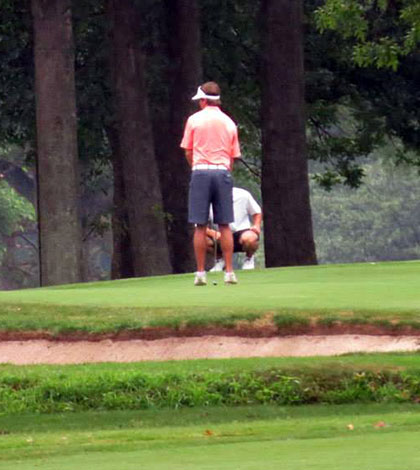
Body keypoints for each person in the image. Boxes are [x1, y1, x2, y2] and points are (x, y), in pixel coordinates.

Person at [180, 81, 241, 286]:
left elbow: (188, 151)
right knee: (224, 225)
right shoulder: (229, 122)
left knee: (200, 225)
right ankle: (230, 272)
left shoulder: (194, 120)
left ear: (204, 100)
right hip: (223, 172)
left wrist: (196, 167)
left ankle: (200, 273)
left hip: (201, 173)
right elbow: (233, 156)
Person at [207, 187, 262, 271]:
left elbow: (257, 212)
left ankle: (249, 259)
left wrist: (256, 225)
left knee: (250, 238)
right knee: (203, 240)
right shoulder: (206, 199)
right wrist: (211, 232)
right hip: (219, 236)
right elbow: (199, 225)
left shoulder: (243, 194)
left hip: (241, 233)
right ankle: (220, 260)